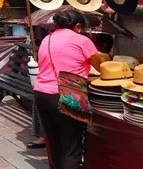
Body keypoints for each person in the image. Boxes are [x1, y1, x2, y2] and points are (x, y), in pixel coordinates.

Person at [34, 10, 109, 169]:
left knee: (55, 144)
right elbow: (101, 67)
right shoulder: (81, 40)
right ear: (78, 26)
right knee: (72, 148)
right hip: (67, 93)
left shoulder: (47, 39)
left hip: (41, 94)